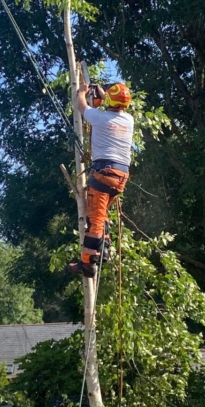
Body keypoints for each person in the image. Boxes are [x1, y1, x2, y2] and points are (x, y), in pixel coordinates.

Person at [68, 82, 134, 278]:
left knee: (95, 218)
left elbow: (81, 106)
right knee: (102, 214)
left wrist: (82, 92)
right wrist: (104, 96)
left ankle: (87, 263)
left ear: (109, 100)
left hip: (104, 173)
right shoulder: (129, 120)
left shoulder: (100, 118)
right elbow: (110, 106)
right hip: (121, 175)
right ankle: (102, 251)